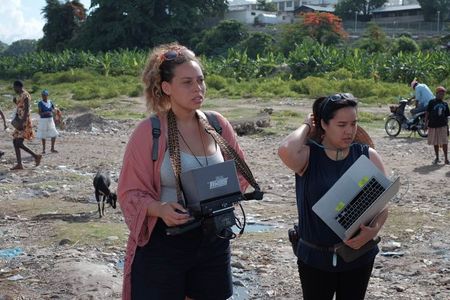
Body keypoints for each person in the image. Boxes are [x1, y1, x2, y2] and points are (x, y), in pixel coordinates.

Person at [117, 43, 251, 300]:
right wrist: (159, 209)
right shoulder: (150, 132)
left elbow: (240, 174)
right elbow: (129, 192)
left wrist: (221, 198)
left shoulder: (217, 124)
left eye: (200, 80)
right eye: (187, 82)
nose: (198, 88)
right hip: (166, 241)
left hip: (213, 239)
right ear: (167, 88)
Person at [278, 93, 389, 300]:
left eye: (354, 123)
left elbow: (382, 204)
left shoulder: (367, 155)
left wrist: (374, 229)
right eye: (341, 124)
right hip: (314, 257)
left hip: (358, 256)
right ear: (324, 124)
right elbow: (285, 150)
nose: (349, 131)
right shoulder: (309, 157)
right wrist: (306, 125)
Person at [10, 80, 42, 170]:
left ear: (18, 86)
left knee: (18, 142)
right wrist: (15, 102)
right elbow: (21, 107)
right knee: (15, 141)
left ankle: (36, 156)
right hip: (21, 120)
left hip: (24, 121)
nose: (14, 89)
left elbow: (27, 109)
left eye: (14, 87)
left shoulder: (25, 95)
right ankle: (19, 164)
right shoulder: (21, 95)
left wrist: (22, 122)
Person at [425, 86, 449, 165]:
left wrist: (447, 126)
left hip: (443, 125)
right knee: (435, 142)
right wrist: (425, 123)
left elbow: (447, 116)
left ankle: (446, 159)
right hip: (433, 125)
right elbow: (427, 113)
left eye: (443, 94)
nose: (441, 96)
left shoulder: (445, 104)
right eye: (440, 94)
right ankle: (437, 158)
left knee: (444, 142)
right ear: (436, 94)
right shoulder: (432, 102)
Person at [36, 89, 59, 154]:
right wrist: (46, 112)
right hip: (43, 120)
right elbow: (40, 112)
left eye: (45, 95)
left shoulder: (50, 102)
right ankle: (44, 150)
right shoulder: (40, 103)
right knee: (43, 134)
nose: (44, 96)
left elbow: (54, 110)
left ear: (47, 95)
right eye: (43, 95)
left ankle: (52, 148)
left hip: (50, 119)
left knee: (54, 133)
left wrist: (55, 116)